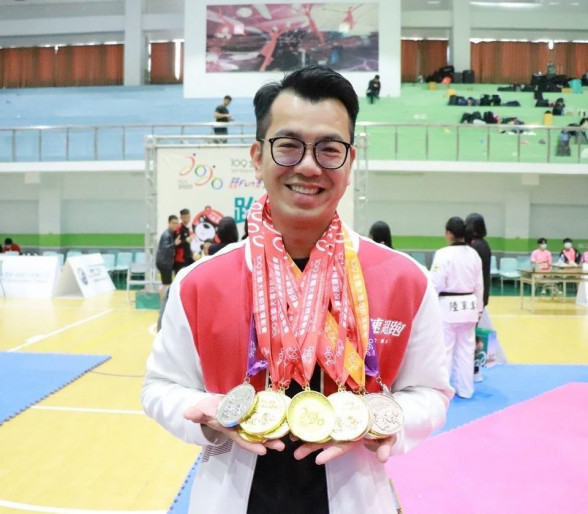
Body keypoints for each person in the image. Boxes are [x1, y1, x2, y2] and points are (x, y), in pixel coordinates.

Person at [142, 64, 452, 514]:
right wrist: (209, 413)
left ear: (350, 161)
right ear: (257, 156)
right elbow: (161, 387)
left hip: (357, 498)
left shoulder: (404, 280)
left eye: (330, 149)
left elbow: (430, 393)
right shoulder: (199, 283)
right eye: (288, 146)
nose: (308, 166)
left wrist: (383, 421)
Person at [430, 217, 483, 399]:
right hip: (469, 306)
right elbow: (479, 285)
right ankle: (466, 390)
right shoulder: (473, 254)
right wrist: (479, 309)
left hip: (448, 307)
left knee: (445, 351)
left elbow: (436, 283)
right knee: (466, 351)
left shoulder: (443, 254)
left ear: (449, 234)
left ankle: (444, 392)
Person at [465, 213, 491, 382]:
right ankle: (473, 370)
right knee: (473, 334)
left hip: (476, 296)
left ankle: (474, 370)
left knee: (472, 336)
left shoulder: (476, 246)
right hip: (480, 295)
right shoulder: (483, 244)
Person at [155, 215, 180, 304]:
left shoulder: (171, 234)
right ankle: (163, 304)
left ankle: (164, 304)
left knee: (166, 284)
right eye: (173, 223)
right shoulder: (166, 235)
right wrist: (174, 244)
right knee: (166, 284)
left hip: (165, 262)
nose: (175, 225)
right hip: (164, 263)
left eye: (176, 223)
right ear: (169, 223)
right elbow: (165, 248)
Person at [173, 208, 195, 274]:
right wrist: (186, 240)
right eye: (184, 217)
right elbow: (176, 244)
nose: (186, 219)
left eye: (188, 217)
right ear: (181, 217)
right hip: (180, 260)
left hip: (188, 258)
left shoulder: (188, 228)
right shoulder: (179, 228)